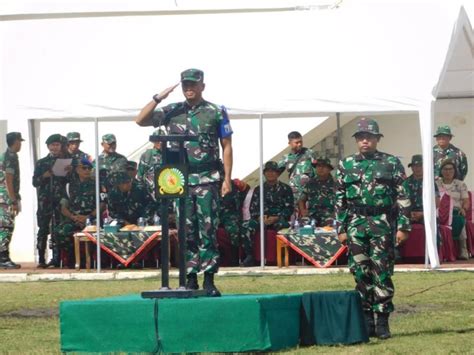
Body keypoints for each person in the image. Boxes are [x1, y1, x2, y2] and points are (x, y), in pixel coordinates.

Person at [135, 68, 233, 296]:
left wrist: (227, 178)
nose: (189, 88)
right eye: (185, 85)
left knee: (207, 228)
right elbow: (140, 120)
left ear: (202, 86)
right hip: (179, 179)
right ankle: (189, 277)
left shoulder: (216, 112)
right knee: (185, 229)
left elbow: (226, 145)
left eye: (193, 84)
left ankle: (209, 278)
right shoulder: (172, 111)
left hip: (207, 178)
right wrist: (158, 97)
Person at [335, 117, 411, 339]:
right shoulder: (345, 164)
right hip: (356, 225)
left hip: (382, 224)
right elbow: (339, 199)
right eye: (361, 137)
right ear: (357, 140)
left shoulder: (391, 163)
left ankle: (383, 322)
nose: (365, 141)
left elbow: (403, 196)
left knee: (382, 271)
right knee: (360, 272)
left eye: (369, 137)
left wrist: (404, 226)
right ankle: (366, 319)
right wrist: (341, 228)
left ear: (377, 139)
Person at [240, 161, 294, 266]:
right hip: (262, 218)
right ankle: (250, 256)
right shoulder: (258, 189)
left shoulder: (286, 189)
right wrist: (259, 217)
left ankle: (283, 257)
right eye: (268, 171)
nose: (270, 174)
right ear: (264, 173)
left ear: (278, 174)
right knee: (246, 226)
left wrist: (277, 217)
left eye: (273, 171)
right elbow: (253, 208)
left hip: (279, 219)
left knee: (283, 227)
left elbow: (289, 209)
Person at [32, 134, 69, 268]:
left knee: (58, 229)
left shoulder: (65, 161)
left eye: (57, 145)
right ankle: (41, 259)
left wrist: (69, 172)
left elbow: (69, 181)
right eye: (52, 145)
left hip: (59, 201)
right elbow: (34, 182)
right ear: (48, 146)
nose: (55, 147)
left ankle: (57, 258)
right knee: (43, 229)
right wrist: (44, 176)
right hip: (45, 201)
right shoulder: (41, 163)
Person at [54, 157, 99, 264]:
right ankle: (73, 257)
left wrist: (89, 217)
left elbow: (102, 205)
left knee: (100, 232)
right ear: (77, 170)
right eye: (84, 168)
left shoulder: (96, 185)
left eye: (89, 168)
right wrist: (73, 217)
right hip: (74, 218)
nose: (87, 171)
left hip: (92, 219)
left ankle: (93, 259)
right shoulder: (69, 186)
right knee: (60, 231)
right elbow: (63, 207)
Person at [436, 159, 469, 260]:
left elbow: (466, 200)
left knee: (460, 222)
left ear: (455, 171)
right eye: (445, 169)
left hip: (455, 211)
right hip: (439, 212)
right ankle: (439, 252)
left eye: (451, 169)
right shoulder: (436, 183)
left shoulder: (460, 184)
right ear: (441, 171)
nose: (448, 172)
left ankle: (463, 250)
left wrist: (464, 208)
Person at [0, 132, 25, 269]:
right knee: (6, 227)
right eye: (19, 141)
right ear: (14, 142)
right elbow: (9, 180)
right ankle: (3, 257)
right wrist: (13, 200)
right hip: (5, 198)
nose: (20, 144)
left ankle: (4, 255)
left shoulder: (9, 155)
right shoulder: (10, 157)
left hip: (5, 197)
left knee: (6, 226)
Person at [277, 131, 316, 205]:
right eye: (296, 142)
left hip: (309, 194)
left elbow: (317, 170)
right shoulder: (286, 158)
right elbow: (274, 172)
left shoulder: (309, 153)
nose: (299, 144)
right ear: (289, 143)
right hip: (294, 194)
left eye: (301, 142)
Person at [219, 178, 249, 265]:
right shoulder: (211, 185)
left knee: (234, 231)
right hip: (215, 214)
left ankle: (234, 259)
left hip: (231, 216)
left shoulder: (234, 184)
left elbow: (246, 190)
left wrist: (243, 186)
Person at [298, 157, 336, 226]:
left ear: (329, 169)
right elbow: (301, 200)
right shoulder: (310, 183)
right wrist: (303, 211)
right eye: (318, 166)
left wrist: (336, 214)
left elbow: (342, 201)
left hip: (329, 215)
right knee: (303, 224)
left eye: (323, 166)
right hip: (312, 214)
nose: (320, 169)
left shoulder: (336, 184)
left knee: (331, 226)